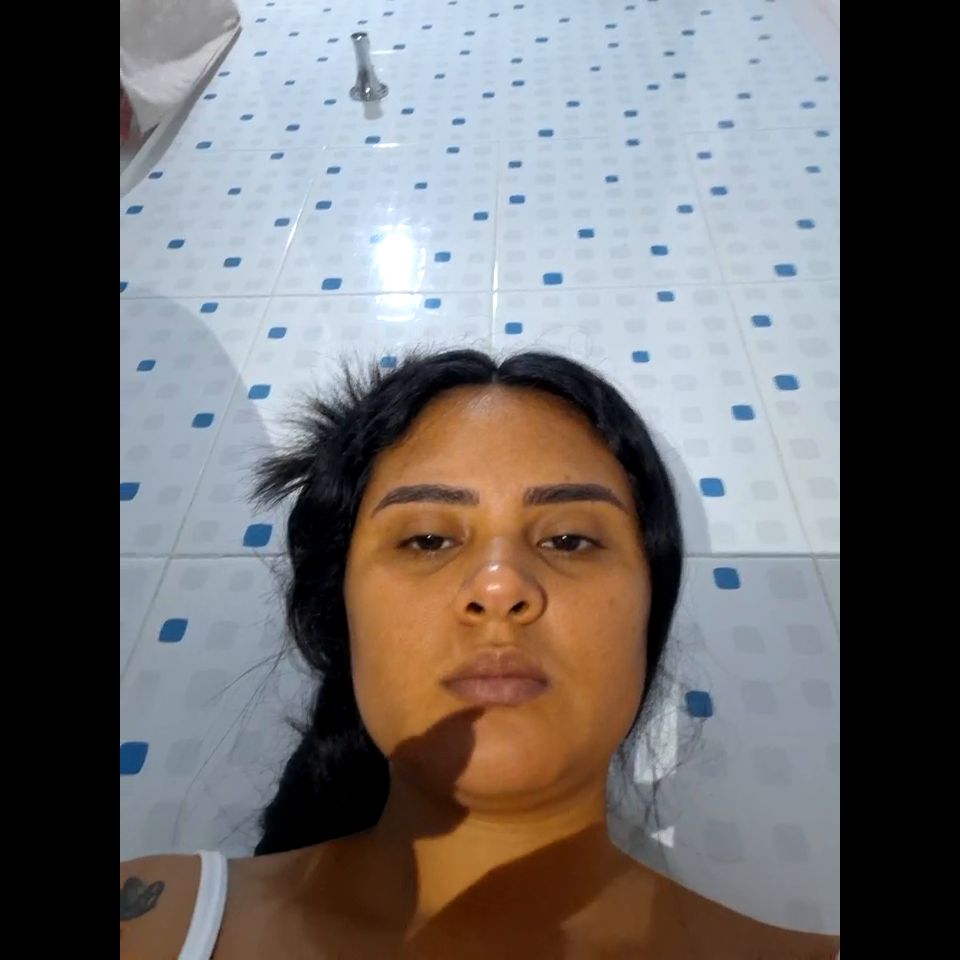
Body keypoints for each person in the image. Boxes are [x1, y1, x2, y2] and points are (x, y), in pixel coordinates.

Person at [120, 349, 840, 958]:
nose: (500, 585)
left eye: (569, 540)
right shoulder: (150, 926)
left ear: (648, 612)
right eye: (427, 539)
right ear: (343, 616)